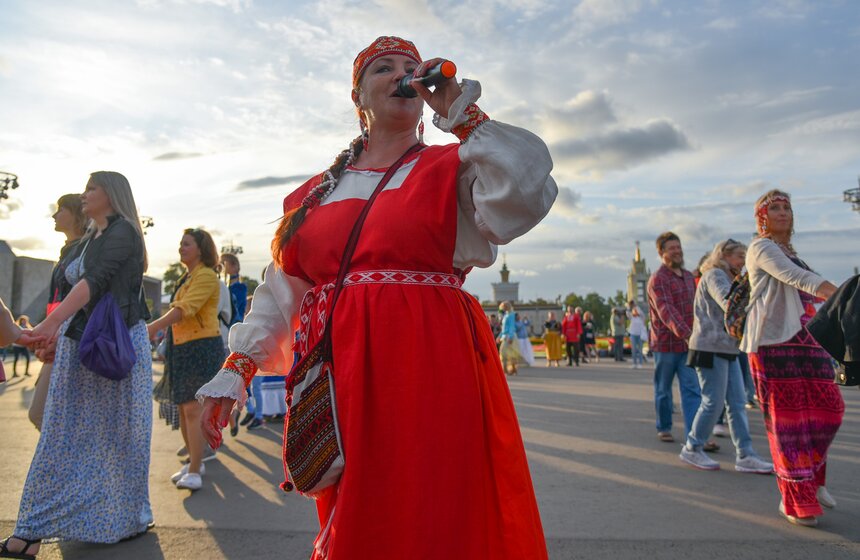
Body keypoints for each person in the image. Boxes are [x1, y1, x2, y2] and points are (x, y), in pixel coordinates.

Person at [196, 36, 555, 558]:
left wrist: (461, 113)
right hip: (341, 372)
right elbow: (282, 291)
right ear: (357, 97)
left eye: (411, 67)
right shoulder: (314, 194)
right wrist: (237, 370)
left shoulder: (452, 167)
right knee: (359, 506)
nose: (402, 75)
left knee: (431, 501)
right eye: (383, 68)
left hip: (430, 362)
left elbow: (527, 190)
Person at [2, 171, 153, 558]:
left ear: (112, 194)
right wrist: (55, 330)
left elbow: (93, 283)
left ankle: (122, 519)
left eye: (91, 188)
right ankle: (36, 529)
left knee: (106, 437)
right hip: (84, 341)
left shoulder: (123, 232)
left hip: (106, 344)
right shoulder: (93, 237)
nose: (84, 195)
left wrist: (50, 324)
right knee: (68, 434)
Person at [741, 189, 842, 527]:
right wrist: (841, 293)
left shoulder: (792, 252)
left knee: (830, 409)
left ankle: (813, 478)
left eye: (787, 208)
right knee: (788, 423)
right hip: (773, 341)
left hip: (806, 339)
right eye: (775, 208)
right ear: (763, 218)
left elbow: (802, 278)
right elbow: (795, 278)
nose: (783, 213)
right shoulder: (761, 247)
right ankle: (795, 498)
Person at [680, 239, 773, 474]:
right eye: (740, 257)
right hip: (709, 347)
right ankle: (692, 447)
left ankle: (746, 454)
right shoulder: (715, 275)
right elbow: (729, 303)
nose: (743, 262)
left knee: (737, 403)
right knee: (714, 401)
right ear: (724, 256)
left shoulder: (727, 277)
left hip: (725, 348)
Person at [148, 228, 225, 491]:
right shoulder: (186, 277)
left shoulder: (206, 276)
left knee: (193, 409)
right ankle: (195, 461)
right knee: (184, 408)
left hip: (201, 347)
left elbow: (184, 309)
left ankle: (195, 469)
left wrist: (152, 327)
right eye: (180, 243)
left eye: (187, 244)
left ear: (201, 249)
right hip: (182, 347)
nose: (181, 248)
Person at [30, 194, 88, 430]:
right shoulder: (68, 251)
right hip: (58, 335)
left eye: (60, 209)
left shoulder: (84, 251)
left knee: (44, 414)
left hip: (70, 337)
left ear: (76, 214)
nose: (54, 215)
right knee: (44, 414)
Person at [647, 231, 702, 444]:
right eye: (672, 248)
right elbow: (666, 310)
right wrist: (687, 334)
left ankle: (695, 435)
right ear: (662, 253)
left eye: (678, 247)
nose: (677, 251)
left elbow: (696, 308)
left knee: (692, 390)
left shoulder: (688, 277)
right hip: (665, 346)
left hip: (687, 344)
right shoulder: (657, 279)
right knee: (663, 389)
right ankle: (664, 426)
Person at [498, 301, 521, 375]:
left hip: (509, 336)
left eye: (504, 306)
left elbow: (511, 326)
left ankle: (508, 369)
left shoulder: (511, 315)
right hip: (505, 336)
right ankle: (509, 369)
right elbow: (504, 328)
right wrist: (499, 336)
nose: (503, 308)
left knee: (505, 352)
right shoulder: (506, 315)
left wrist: (510, 337)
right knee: (507, 353)